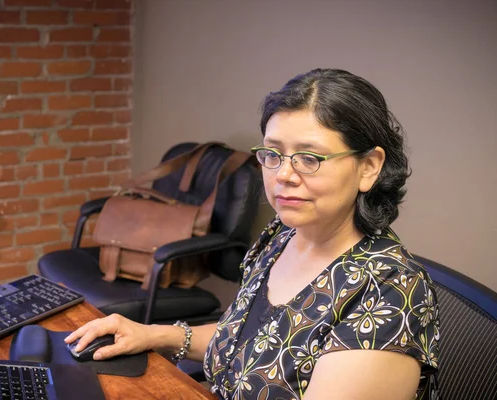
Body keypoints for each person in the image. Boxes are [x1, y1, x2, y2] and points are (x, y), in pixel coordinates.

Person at [65, 68, 440, 400]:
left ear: (369, 167)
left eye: (310, 158)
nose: (284, 175)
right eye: (273, 154)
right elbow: (246, 344)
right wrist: (152, 335)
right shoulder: (284, 234)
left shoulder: (389, 293)